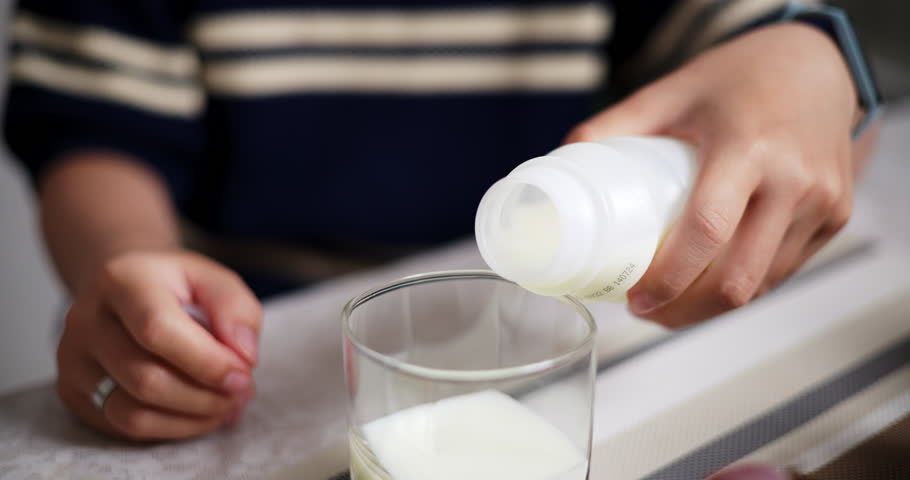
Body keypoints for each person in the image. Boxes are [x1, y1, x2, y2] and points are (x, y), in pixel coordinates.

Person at [4, 0, 878, 446]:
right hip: (243, 343)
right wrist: (126, 260)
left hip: (544, 354)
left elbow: (772, 65)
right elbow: (94, 132)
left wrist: (814, 65)